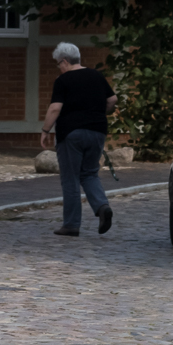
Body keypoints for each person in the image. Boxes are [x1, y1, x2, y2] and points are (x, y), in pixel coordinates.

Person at [40, 42, 116, 236]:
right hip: (97, 131)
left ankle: (71, 224)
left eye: (58, 63)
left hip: (71, 133)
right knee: (90, 173)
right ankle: (102, 207)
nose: (59, 67)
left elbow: (55, 108)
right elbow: (112, 100)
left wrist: (45, 130)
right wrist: (99, 113)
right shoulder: (97, 75)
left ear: (65, 61)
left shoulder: (63, 80)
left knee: (70, 178)